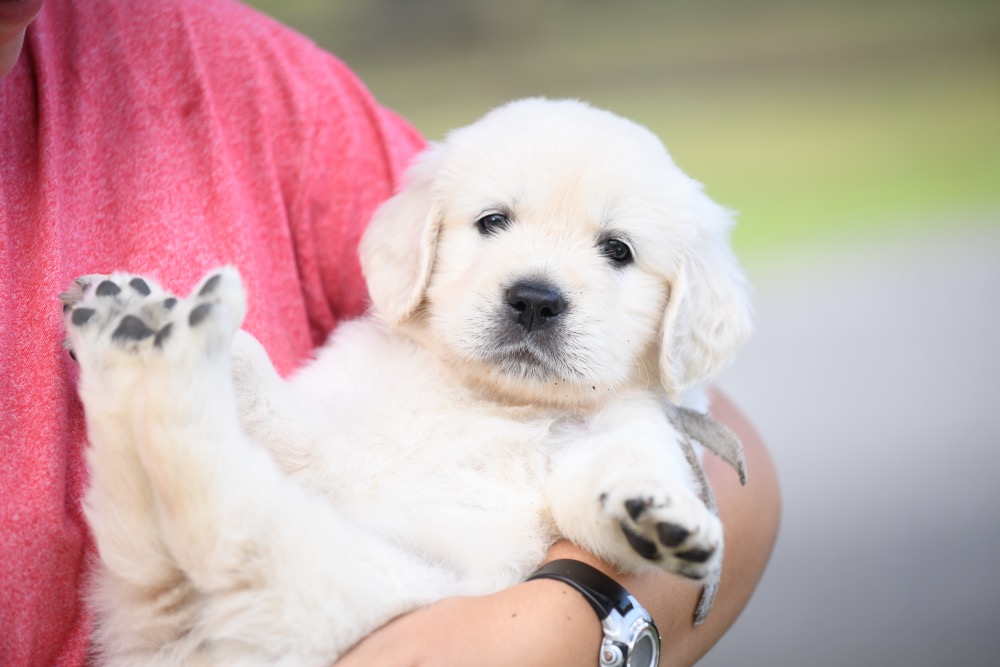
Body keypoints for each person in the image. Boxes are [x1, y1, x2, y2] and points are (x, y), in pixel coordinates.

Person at [0, 0, 780, 665]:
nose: (537, 289)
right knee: (192, 530)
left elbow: (621, 476)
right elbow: (295, 436)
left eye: (616, 251)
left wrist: (620, 544)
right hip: (207, 621)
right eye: (494, 221)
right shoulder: (379, 348)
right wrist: (242, 384)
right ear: (425, 241)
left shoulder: (231, 67)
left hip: (378, 607)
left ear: (685, 305)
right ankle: (170, 398)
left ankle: (158, 400)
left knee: (248, 540)